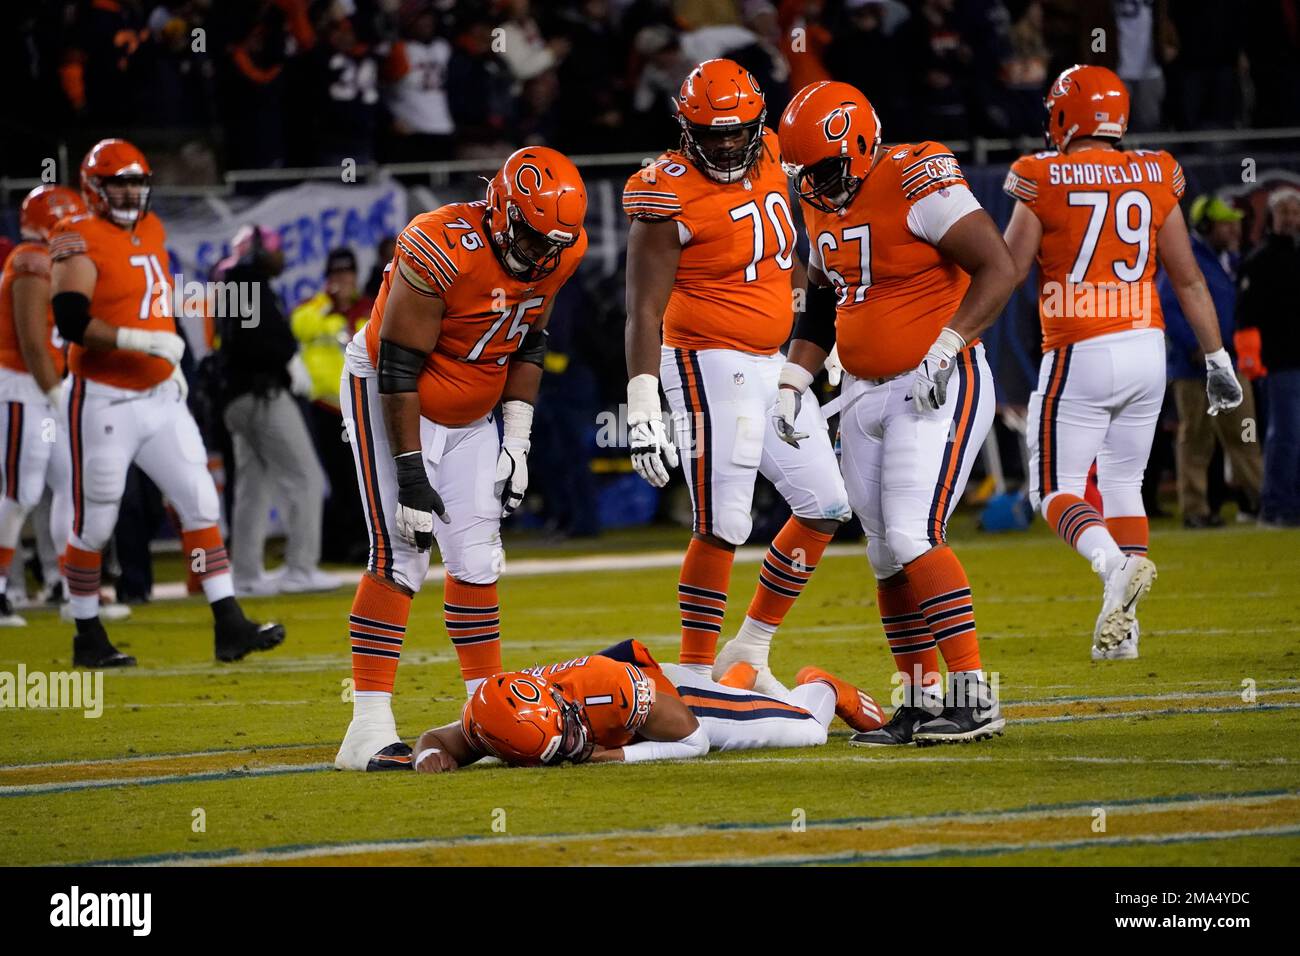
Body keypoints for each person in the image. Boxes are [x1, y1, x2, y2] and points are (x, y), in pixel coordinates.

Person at [334, 147, 588, 771]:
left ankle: (487, 716)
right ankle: (365, 729)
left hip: (475, 409)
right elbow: (398, 366)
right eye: (530, 237)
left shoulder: (561, 248)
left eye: (551, 242)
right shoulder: (438, 244)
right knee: (403, 551)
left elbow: (530, 337)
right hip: (392, 394)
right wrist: (412, 472)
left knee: (478, 558)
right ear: (502, 211)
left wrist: (518, 439)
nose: (540, 254)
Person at [778, 80, 1014, 746]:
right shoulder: (824, 203)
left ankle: (974, 698)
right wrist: (792, 382)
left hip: (935, 381)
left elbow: (997, 266)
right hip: (860, 389)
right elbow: (823, 302)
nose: (815, 189)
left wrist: (947, 343)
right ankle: (920, 700)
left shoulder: (915, 174)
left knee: (913, 534)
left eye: (824, 172)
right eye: (804, 177)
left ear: (859, 145)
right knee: (883, 554)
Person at [623, 59, 851, 698]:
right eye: (710, 131)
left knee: (826, 505)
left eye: (735, 131)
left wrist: (816, 335)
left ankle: (747, 648)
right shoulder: (663, 191)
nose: (725, 143)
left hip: (772, 360)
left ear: (759, 122)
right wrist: (642, 400)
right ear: (684, 125)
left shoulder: (781, 150)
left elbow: (795, 252)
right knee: (723, 519)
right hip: (704, 358)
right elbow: (642, 309)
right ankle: (695, 673)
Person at [1002, 66, 1243, 661]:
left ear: (1063, 116)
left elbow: (1006, 271)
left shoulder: (1042, 175)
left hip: (1080, 346)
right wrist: (1218, 357)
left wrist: (953, 332)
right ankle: (1125, 634)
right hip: (1147, 348)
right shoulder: (1156, 171)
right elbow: (1187, 279)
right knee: (1123, 484)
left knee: (1052, 489)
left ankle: (1113, 567)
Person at [48, 138, 285, 667]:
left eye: (137, 181)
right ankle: (86, 632)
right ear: (95, 188)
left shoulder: (151, 229)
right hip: (105, 399)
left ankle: (229, 623)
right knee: (95, 521)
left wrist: (170, 359)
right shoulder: (76, 237)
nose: (131, 192)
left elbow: (150, 304)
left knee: (200, 500)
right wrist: (140, 342)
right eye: (119, 183)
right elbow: (71, 322)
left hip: (160, 396)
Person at [410, 639, 885, 771]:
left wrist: (615, 755)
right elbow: (436, 739)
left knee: (807, 730)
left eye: (569, 731)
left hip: (677, 706)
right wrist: (430, 757)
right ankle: (743, 677)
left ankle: (822, 685)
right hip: (641, 708)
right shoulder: (491, 718)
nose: (573, 744)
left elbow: (694, 741)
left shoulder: (606, 689)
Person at [220, 224, 337, 596]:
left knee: (252, 488)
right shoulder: (248, 283)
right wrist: (288, 359)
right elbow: (256, 342)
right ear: (257, 251)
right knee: (306, 478)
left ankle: (247, 575)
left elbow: (242, 339)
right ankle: (301, 569)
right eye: (275, 248)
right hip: (261, 395)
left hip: (238, 398)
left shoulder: (236, 283)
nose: (281, 255)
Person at [0, 185, 84, 626]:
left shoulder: (57, 261)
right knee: (21, 491)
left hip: (47, 389)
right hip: (22, 389)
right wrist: (57, 395)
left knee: (69, 481)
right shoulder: (32, 259)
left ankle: (73, 590)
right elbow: (33, 342)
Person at [1159, 195, 1262, 527]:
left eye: (1234, 221)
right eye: (1224, 223)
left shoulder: (1226, 259)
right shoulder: (1186, 254)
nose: (1233, 228)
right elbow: (1167, 304)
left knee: (1245, 434)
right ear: (1205, 226)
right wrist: (1194, 346)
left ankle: (1264, 500)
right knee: (1197, 439)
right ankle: (1195, 509)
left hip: (1229, 361)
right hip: (1194, 369)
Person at [290, 247, 372, 563]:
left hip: (359, 407)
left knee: (358, 478)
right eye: (336, 275)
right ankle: (337, 544)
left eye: (347, 274)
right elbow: (299, 326)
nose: (343, 281)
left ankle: (356, 543)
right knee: (334, 478)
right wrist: (327, 303)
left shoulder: (367, 308)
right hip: (324, 409)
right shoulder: (313, 309)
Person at [1238, 187, 1300, 527]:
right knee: (1284, 435)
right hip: (1278, 362)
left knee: (1292, 435)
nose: (1290, 218)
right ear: (1272, 218)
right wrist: (1251, 360)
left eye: (1295, 212)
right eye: (1285, 212)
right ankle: (1276, 506)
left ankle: (1291, 503)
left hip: (1293, 360)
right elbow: (1245, 315)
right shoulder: (1258, 260)